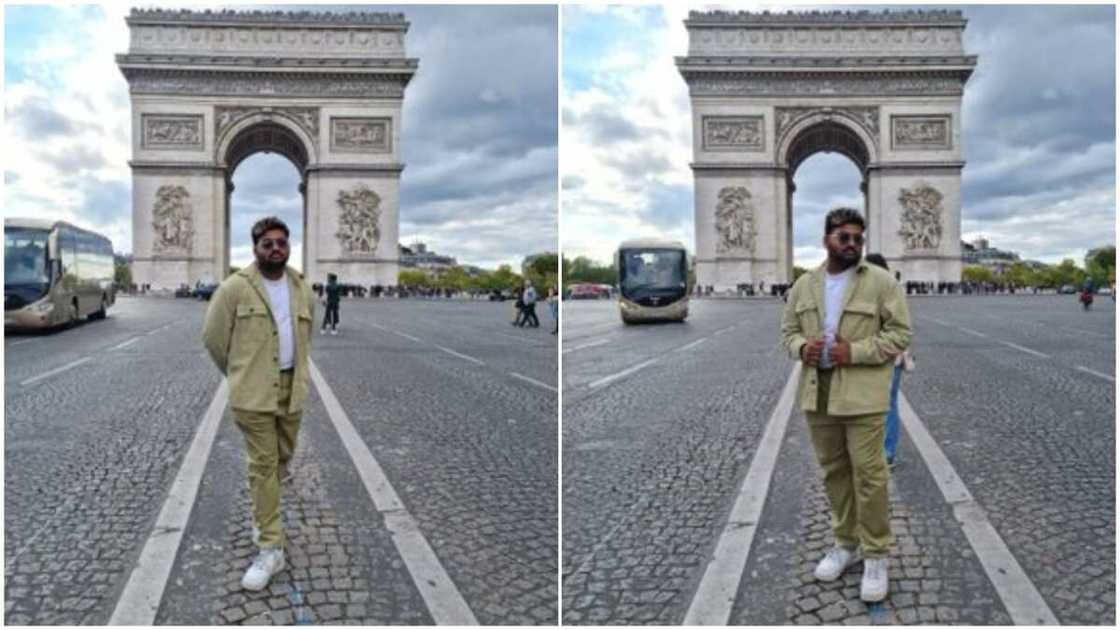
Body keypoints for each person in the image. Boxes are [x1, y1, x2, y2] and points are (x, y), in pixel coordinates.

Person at [780, 208, 912, 603]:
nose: (852, 244)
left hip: (864, 397)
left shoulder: (883, 283)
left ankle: (875, 554)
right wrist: (803, 347)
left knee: (869, 476)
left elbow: (900, 333)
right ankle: (845, 543)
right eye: (844, 237)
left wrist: (851, 351)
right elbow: (787, 333)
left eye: (858, 238)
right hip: (817, 394)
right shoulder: (804, 285)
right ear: (827, 239)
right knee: (834, 473)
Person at [202, 216, 316, 592]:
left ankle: (263, 515)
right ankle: (271, 546)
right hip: (253, 394)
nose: (276, 248)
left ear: (288, 246)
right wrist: (239, 375)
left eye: (281, 242)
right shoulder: (233, 288)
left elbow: (308, 333)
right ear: (255, 248)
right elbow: (214, 339)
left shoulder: (302, 287)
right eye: (267, 243)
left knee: (282, 459)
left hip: (291, 389)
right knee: (264, 465)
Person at [863, 253, 913, 468]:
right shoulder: (895, 290)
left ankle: (879, 451)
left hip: (878, 356)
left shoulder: (864, 292)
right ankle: (886, 452)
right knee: (889, 404)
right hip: (891, 356)